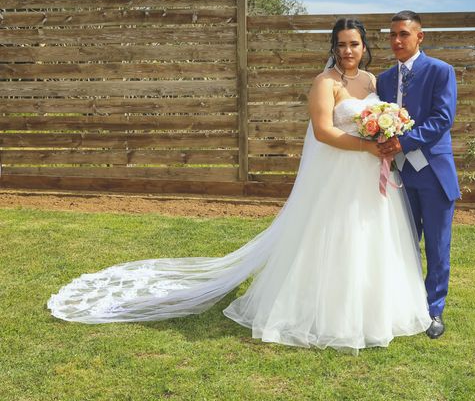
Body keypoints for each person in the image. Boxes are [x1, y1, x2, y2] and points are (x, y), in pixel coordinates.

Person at [48, 18, 432, 352]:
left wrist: (384, 135)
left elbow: (378, 117)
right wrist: (367, 145)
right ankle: (326, 312)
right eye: (342, 44)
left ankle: (371, 312)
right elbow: (324, 132)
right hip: (339, 172)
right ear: (333, 47)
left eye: (355, 43)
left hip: (367, 177)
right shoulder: (324, 82)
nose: (348, 50)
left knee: (367, 238)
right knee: (331, 238)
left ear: (365, 47)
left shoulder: (371, 80)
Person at [377, 10, 461, 339]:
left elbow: (443, 118)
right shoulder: (384, 79)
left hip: (434, 174)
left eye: (404, 35)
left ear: (419, 37)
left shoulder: (441, 71)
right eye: (393, 35)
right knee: (404, 244)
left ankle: (434, 310)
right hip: (400, 176)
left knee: (437, 248)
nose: (397, 41)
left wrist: (403, 141)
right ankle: (406, 305)